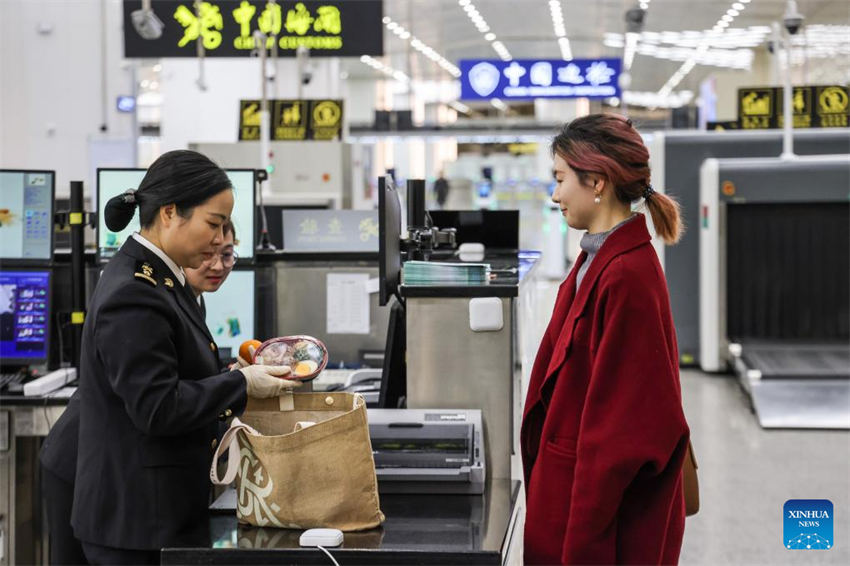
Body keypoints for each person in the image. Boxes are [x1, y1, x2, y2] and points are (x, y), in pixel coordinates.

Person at [66, 150, 297, 565]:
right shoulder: (135, 292)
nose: (220, 238)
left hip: (160, 512)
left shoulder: (162, 280)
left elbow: (176, 371)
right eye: (214, 223)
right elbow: (157, 408)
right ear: (170, 212)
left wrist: (231, 375)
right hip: (136, 524)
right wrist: (240, 384)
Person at [521, 114, 689, 565]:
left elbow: (622, 436)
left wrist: (584, 542)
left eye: (560, 179)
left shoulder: (626, 275)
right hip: (571, 494)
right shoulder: (596, 260)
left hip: (596, 522)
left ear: (595, 180)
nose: (555, 195)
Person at [39, 221, 240, 565]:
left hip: (123, 463)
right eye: (207, 253)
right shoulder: (143, 295)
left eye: (227, 254)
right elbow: (158, 401)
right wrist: (238, 384)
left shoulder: (187, 301)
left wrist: (229, 379)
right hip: (87, 464)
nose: (217, 265)